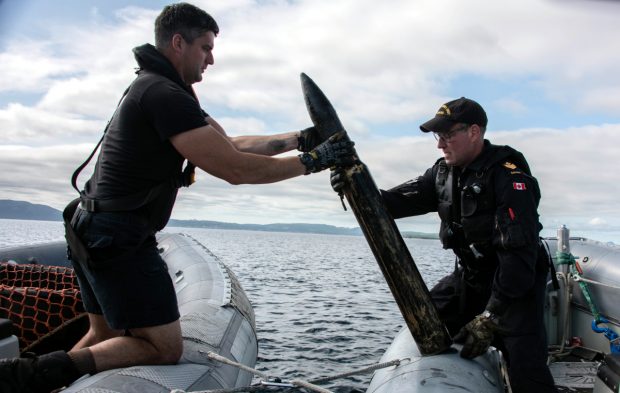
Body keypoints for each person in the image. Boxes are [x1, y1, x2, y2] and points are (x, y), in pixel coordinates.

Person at [0, 3, 352, 392]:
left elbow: (231, 145)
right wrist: (315, 161)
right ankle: (21, 376)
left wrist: (298, 140)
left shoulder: (162, 89)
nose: (212, 59)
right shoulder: (164, 94)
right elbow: (236, 170)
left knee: (104, 334)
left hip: (89, 226)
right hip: (117, 234)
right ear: (178, 42)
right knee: (163, 348)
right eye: (205, 47)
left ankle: (34, 383)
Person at [332, 97, 556, 392]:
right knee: (425, 326)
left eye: (448, 135)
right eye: (439, 136)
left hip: (513, 287)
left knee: (528, 373)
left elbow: (518, 257)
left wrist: (491, 317)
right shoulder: (441, 174)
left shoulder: (508, 176)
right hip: (470, 278)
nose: (440, 144)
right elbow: (389, 204)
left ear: (474, 132)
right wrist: (352, 184)